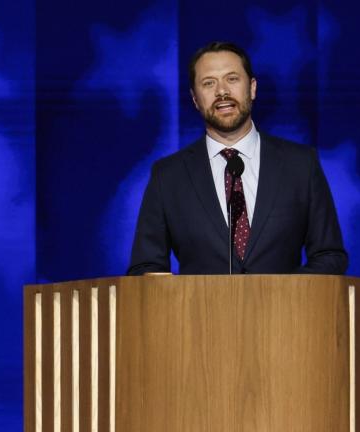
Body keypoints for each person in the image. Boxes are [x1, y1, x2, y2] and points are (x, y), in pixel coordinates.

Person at [127, 42, 348, 275]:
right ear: (194, 98)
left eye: (232, 79)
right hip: (198, 311)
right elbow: (145, 267)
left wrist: (282, 294)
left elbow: (329, 256)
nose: (222, 91)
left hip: (284, 310)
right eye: (209, 83)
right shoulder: (167, 176)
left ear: (252, 88)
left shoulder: (301, 165)